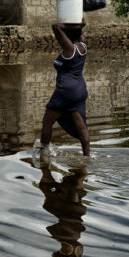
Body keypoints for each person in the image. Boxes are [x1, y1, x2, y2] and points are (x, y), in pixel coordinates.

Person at [40, 18, 90, 156]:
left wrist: (65, 24)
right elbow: (82, 24)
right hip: (79, 90)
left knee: (47, 122)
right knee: (81, 127)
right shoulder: (83, 45)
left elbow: (56, 27)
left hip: (65, 91)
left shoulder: (69, 49)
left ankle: (43, 153)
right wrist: (75, 14)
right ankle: (87, 156)